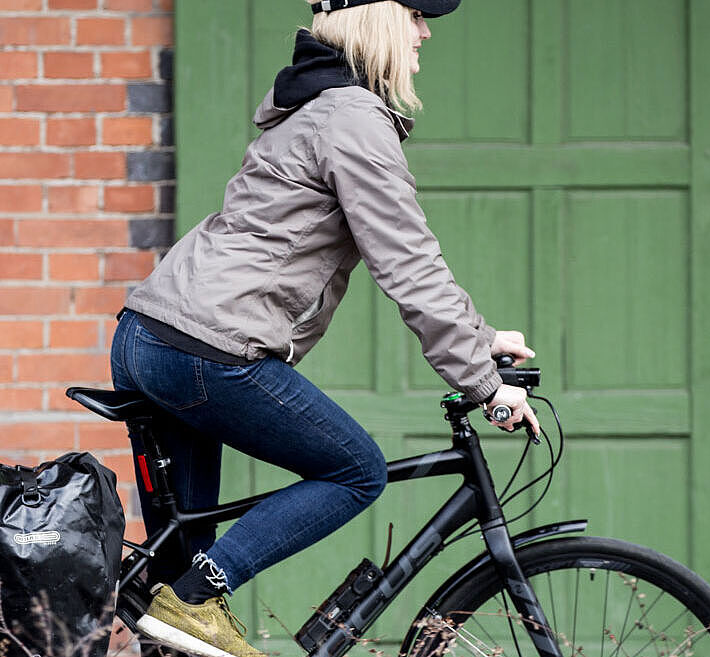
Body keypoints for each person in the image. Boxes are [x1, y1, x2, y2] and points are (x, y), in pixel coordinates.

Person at [109, 2, 540, 656]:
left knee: (177, 614)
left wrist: (479, 341)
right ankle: (199, 595)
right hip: (206, 350)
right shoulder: (352, 117)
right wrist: (484, 385)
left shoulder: (317, 106)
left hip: (150, 335)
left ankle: (189, 603)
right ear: (379, 21)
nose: (426, 31)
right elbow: (408, 260)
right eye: (419, 14)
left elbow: (403, 259)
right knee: (355, 469)